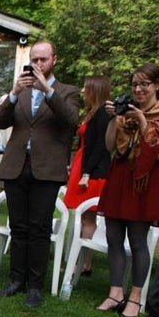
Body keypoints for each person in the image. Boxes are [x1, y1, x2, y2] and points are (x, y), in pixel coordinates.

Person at [0, 40, 79, 307]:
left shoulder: (67, 91)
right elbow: (0, 121)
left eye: (43, 60)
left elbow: (71, 121)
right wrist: (15, 93)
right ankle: (16, 281)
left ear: (54, 59)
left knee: (39, 228)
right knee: (17, 226)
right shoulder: (22, 91)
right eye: (34, 60)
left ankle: (35, 287)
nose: (38, 65)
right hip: (16, 165)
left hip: (46, 168)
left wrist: (48, 90)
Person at [96, 63, 159, 317]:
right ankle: (115, 292)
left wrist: (142, 120)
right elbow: (111, 146)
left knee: (138, 240)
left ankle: (136, 297)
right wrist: (113, 119)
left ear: (158, 85)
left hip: (146, 180)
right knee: (113, 236)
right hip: (120, 177)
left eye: (144, 84)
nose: (138, 89)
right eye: (134, 85)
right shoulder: (126, 112)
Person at [62, 76, 111, 274]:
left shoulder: (104, 114)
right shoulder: (92, 113)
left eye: (86, 89)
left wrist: (87, 173)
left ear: (95, 90)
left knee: (88, 218)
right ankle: (81, 261)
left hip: (91, 170)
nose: (83, 92)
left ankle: (84, 263)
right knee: (82, 217)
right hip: (81, 164)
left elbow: (101, 146)